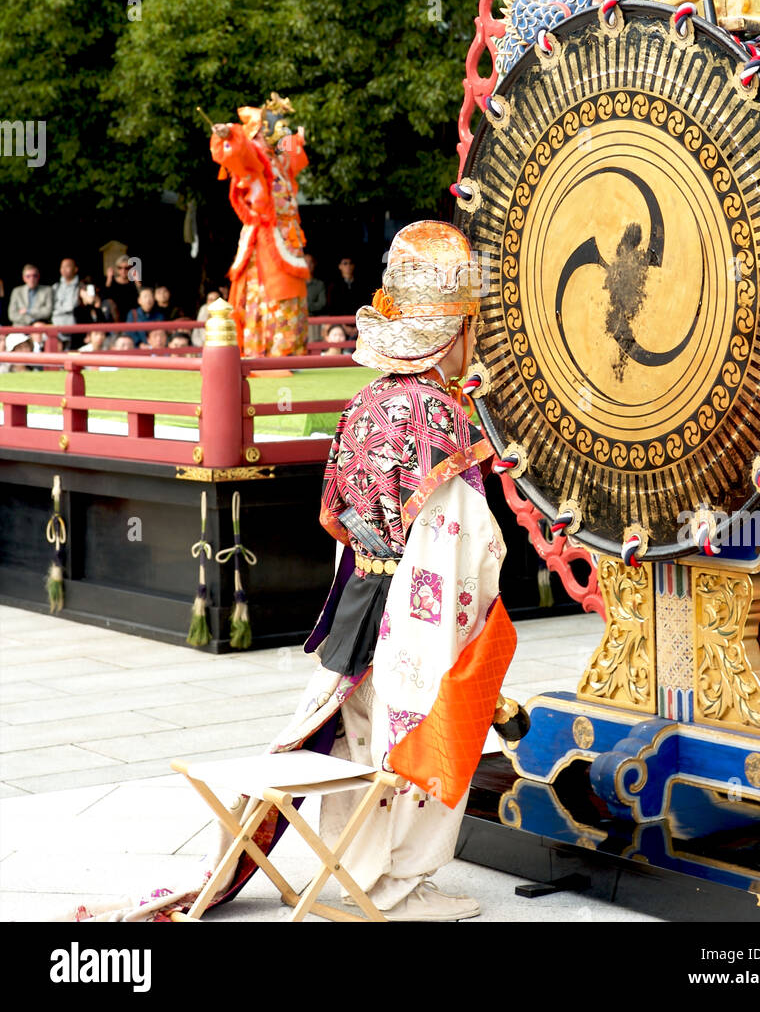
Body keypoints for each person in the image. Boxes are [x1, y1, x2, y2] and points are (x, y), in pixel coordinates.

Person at [66, 221, 517, 924]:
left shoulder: (366, 404)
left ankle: (364, 871)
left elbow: (340, 515)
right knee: (414, 742)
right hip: (418, 609)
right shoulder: (439, 417)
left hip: (361, 599)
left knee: (357, 741)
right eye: (470, 329)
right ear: (453, 332)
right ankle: (396, 885)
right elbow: (456, 537)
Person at [211, 93, 309, 356]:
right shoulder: (256, 157)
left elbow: (293, 155)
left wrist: (296, 137)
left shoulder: (278, 160)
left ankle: (291, 352)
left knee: (291, 291)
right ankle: (267, 352)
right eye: (268, 129)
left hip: (287, 235)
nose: (273, 135)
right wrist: (229, 134)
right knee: (271, 292)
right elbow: (241, 153)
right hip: (266, 237)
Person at [51, 258, 80, 336]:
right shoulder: (55, 287)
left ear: (75, 269)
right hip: (55, 324)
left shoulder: (81, 287)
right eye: (62, 267)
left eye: (67, 266)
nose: (63, 269)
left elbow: (72, 306)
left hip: (73, 327)